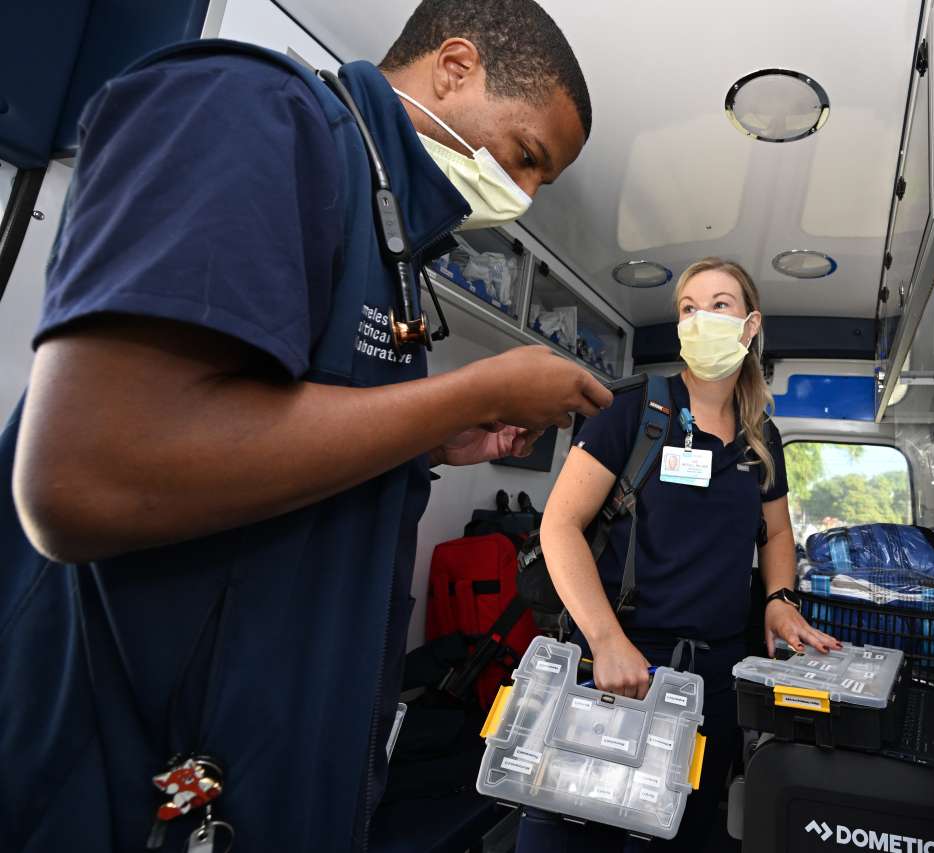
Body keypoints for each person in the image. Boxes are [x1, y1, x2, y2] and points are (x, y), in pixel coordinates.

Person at [0, 2, 611, 851]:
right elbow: (88, 474)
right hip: (118, 782)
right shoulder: (251, 111)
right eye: (527, 155)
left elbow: (269, 437)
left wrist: (433, 441)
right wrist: (470, 392)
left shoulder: (390, 237)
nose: (525, 194)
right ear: (454, 68)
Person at [516, 258, 841, 852]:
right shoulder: (634, 409)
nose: (700, 319)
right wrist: (607, 642)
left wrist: (779, 599)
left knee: (674, 835)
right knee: (572, 836)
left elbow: (776, 534)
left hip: (712, 681)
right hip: (618, 665)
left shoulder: (761, 436)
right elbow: (559, 526)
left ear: (749, 326)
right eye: (689, 308)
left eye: (720, 305)